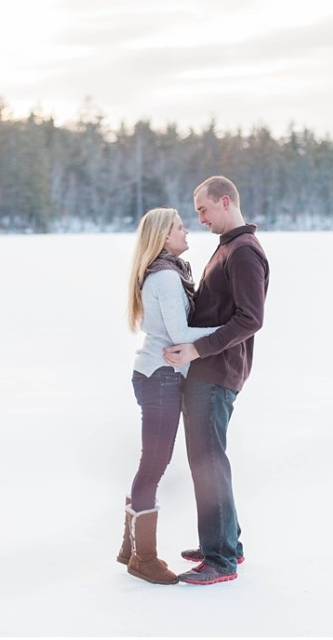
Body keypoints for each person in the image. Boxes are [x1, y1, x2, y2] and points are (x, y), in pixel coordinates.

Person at [163, 175, 269, 585]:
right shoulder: (228, 248)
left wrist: (196, 350)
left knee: (209, 464)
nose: (200, 219)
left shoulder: (243, 252)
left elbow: (250, 318)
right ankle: (224, 544)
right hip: (209, 369)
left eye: (204, 210)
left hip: (217, 370)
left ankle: (221, 558)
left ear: (225, 201)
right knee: (207, 461)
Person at [117, 207, 220, 585]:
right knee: (154, 466)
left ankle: (130, 549)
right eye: (180, 227)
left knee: (151, 464)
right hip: (159, 377)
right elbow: (179, 332)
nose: (186, 231)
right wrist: (233, 326)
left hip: (155, 375)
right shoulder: (165, 277)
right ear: (163, 237)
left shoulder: (166, 273)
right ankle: (144, 559)